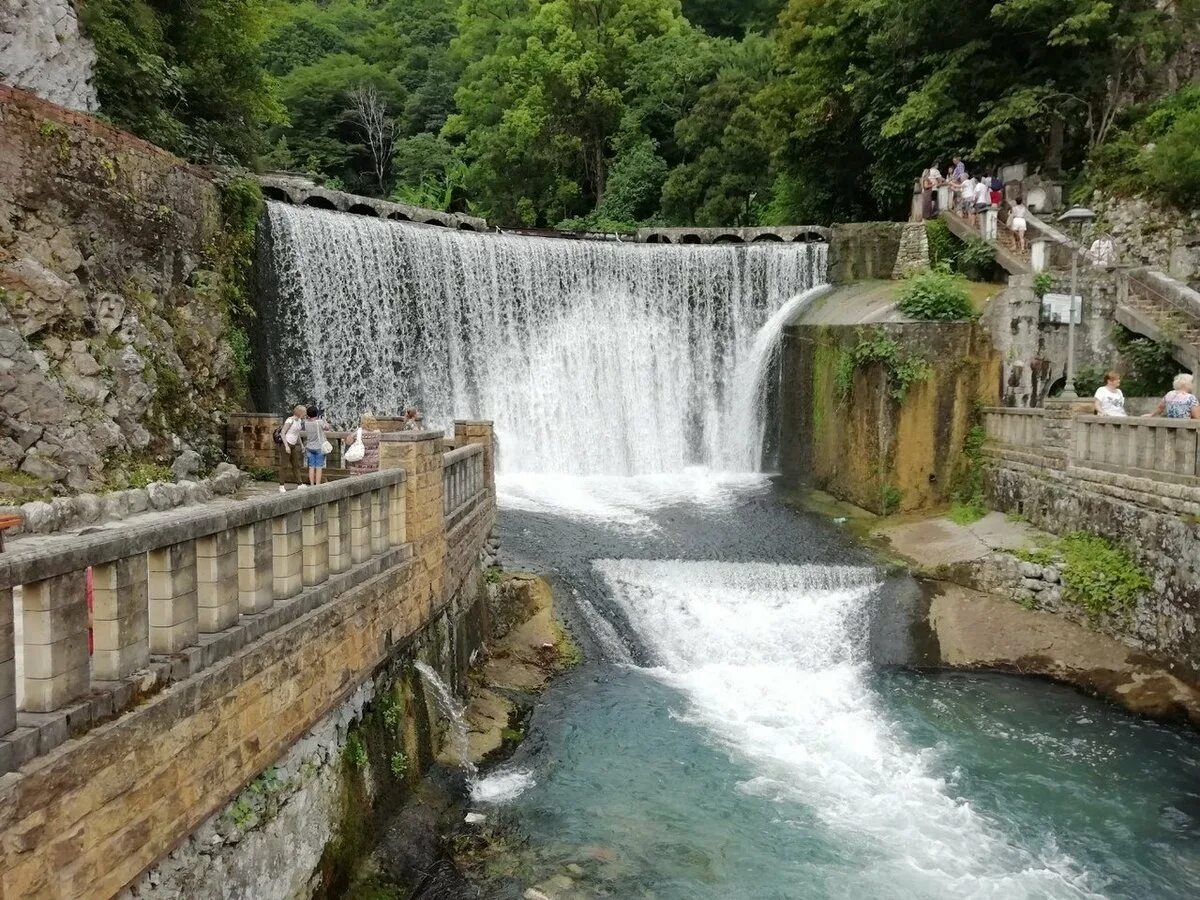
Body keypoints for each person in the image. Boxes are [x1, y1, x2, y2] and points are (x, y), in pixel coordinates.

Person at [278, 404, 306, 492]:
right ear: (299, 412)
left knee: (296, 464)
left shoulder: (299, 420)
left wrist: (301, 444)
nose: (305, 414)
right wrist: (286, 446)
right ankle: (281, 485)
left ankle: (299, 483)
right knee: (284, 465)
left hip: (293, 445)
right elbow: (282, 433)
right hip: (286, 443)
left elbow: (297, 433)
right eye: (304, 412)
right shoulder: (290, 420)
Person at [301, 404, 328, 486]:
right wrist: (325, 420)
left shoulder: (306, 423)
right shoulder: (319, 422)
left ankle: (312, 484)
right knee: (319, 467)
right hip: (319, 447)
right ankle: (317, 484)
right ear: (317, 414)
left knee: (311, 467)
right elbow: (327, 427)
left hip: (309, 447)